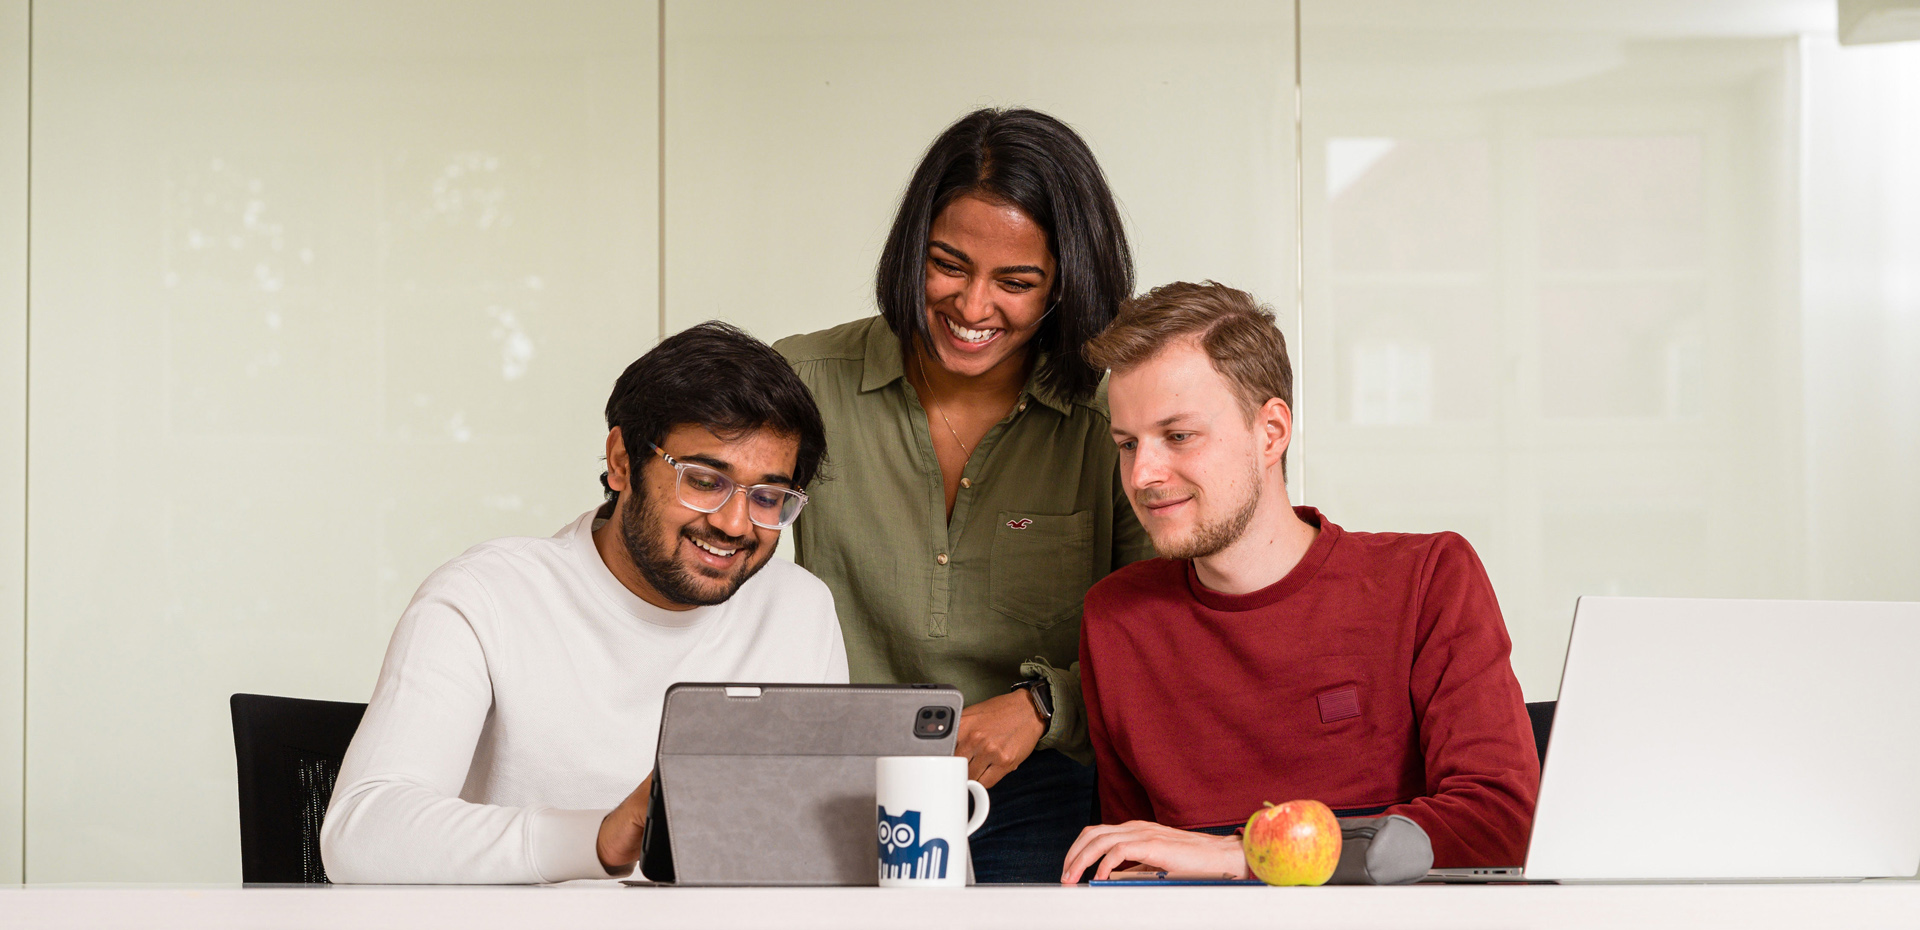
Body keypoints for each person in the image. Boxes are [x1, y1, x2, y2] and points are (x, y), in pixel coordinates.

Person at [773, 108, 1156, 882]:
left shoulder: (1111, 420)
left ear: (1065, 285)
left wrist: (1048, 706)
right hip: (833, 778)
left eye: (1016, 282)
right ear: (912, 247)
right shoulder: (804, 383)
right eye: (948, 265)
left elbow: (1163, 632)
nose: (974, 308)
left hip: (1035, 788)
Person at [322, 322, 848, 884]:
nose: (734, 523)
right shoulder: (485, 597)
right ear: (621, 461)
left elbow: (820, 849)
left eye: (768, 497)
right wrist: (600, 837)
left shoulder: (799, 609)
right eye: (703, 480)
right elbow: (361, 833)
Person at [1060, 282, 1539, 883]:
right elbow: (1131, 859)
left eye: (1178, 436)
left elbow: (1500, 821)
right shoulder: (1117, 619)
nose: (1143, 473)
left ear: (1271, 432)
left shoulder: (1426, 579)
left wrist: (1244, 855)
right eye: (1127, 444)